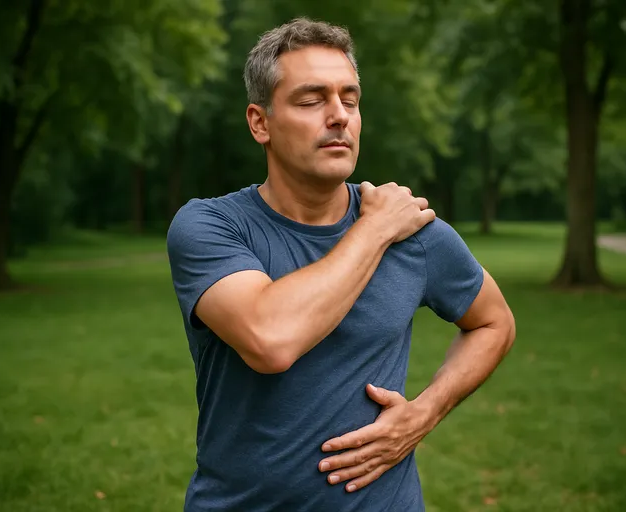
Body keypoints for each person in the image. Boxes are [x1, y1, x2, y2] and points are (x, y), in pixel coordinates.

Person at [166, 17, 515, 512]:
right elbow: (271, 339)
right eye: (311, 100)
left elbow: (495, 321)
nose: (339, 117)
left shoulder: (413, 232)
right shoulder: (211, 226)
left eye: (349, 100)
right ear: (259, 122)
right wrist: (372, 230)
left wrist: (424, 412)